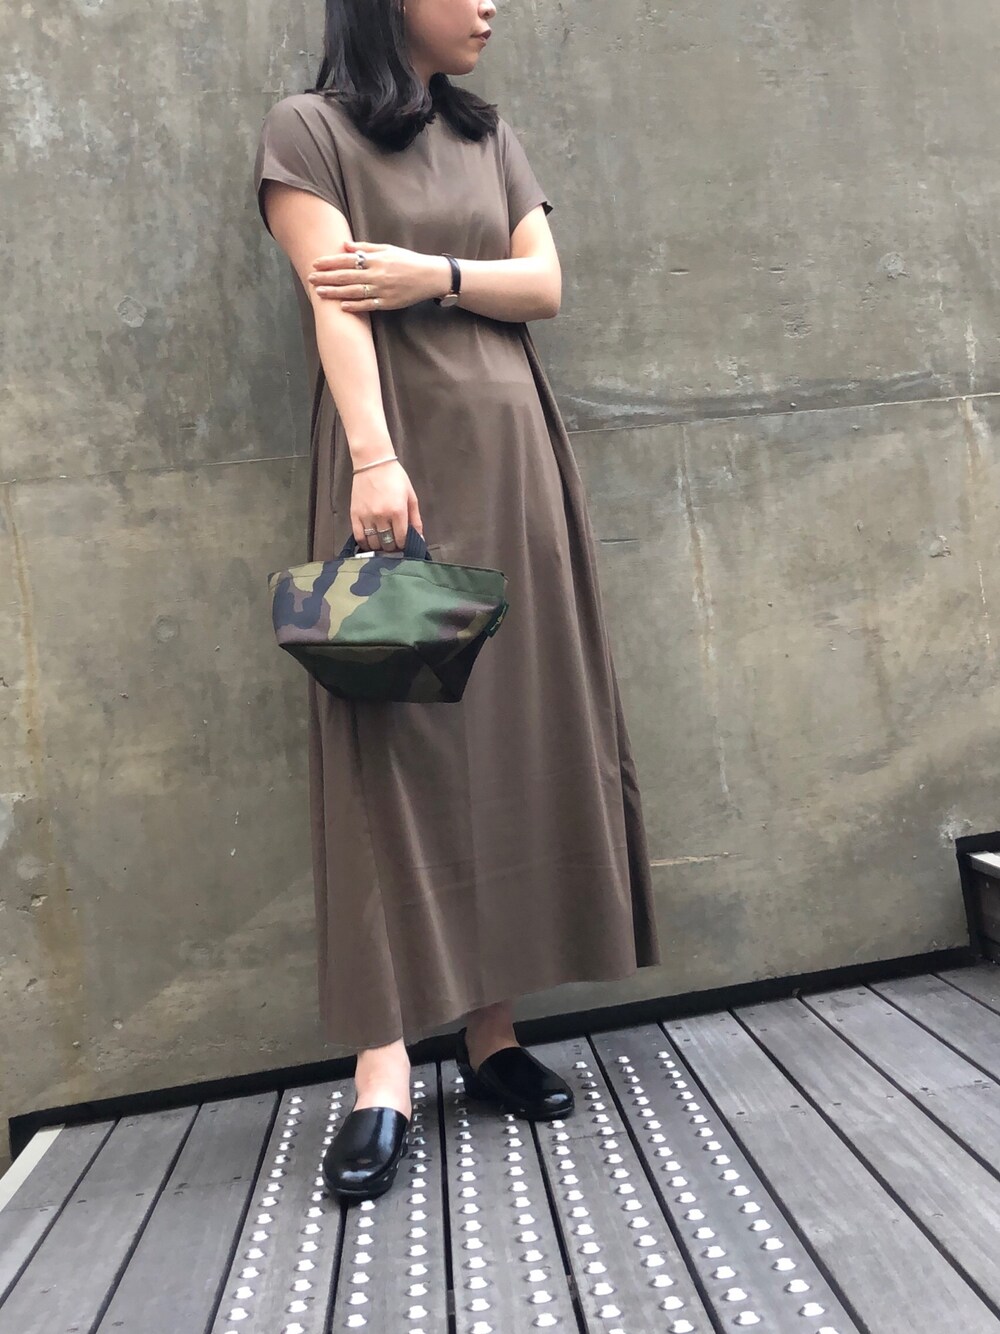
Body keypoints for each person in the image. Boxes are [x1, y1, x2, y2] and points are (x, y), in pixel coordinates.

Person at [253, 0, 662, 1201]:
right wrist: (375, 458)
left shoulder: (488, 134)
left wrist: (429, 273)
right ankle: (382, 1065)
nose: (489, 4)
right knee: (390, 745)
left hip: (518, 461)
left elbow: (544, 286)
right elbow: (333, 299)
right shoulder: (308, 130)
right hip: (399, 466)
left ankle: (493, 1032)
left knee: (514, 735)